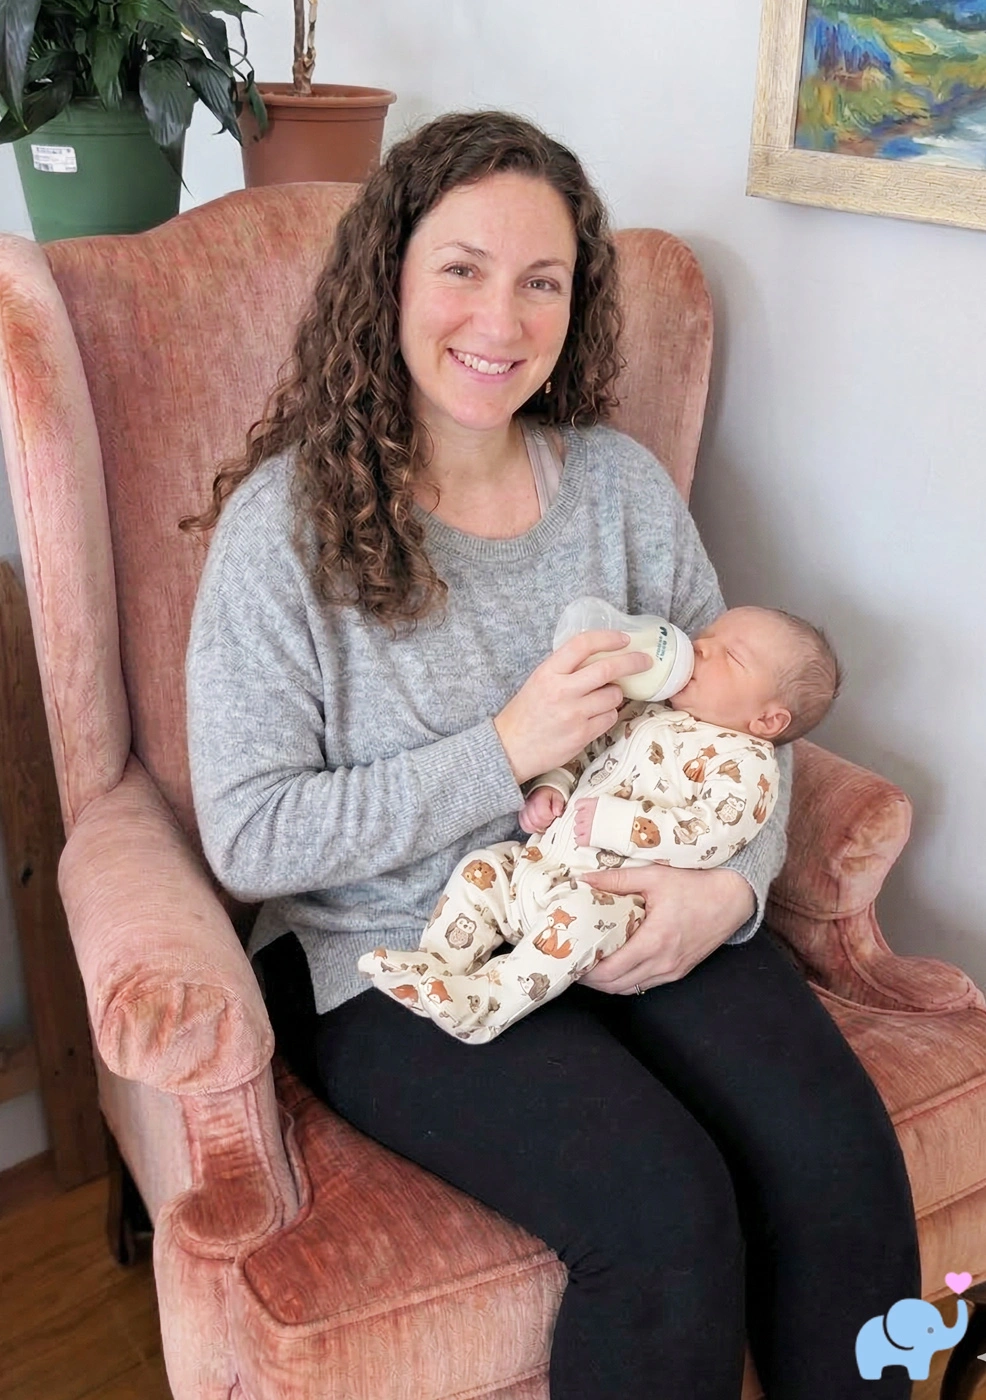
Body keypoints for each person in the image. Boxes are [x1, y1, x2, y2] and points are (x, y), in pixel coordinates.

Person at [183, 110, 919, 1399]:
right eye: (461, 268)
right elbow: (251, 836)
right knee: (663, 1216)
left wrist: (728, 890)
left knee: (835, 1153)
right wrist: (502, 749)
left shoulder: (620, 490)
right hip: (398, 952)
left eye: (542, 281)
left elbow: (740, 736)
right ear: (388, 277)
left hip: (627, 900)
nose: (500, 318)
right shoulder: (281, 529)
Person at [357, 606, 840, 1044]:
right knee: (481, 870)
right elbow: (586, 746)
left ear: (768, 721)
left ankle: (487, 1003)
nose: (700, 647)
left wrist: (617, 823)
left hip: (607, 899)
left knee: (582, 923)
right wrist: (552, 786)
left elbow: (709, 834)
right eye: (707, 635)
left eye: (730, 656)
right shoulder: (651, 708)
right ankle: (437, 966)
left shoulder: (746, 764)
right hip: (539, 864)